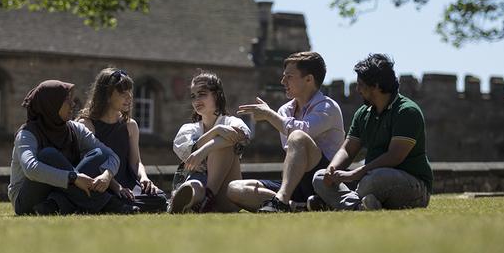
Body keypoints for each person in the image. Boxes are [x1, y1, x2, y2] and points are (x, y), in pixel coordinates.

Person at [310, 53, 433, 211]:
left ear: (375, 85)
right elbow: (348, 149)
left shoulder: (407, 111)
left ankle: (344, 203)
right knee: (319, 177)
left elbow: (394, 157)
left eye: (360, 84)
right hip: (370, 178)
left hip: (413, 186)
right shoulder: (363, 113)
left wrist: (354, 174)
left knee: (372, 180)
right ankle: (361, 207)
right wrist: (331, 170)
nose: (357, 89)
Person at [227, 51, 345, 213]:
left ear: (308, 79)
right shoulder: (285, 111)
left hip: (325, 182)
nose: (283, 81)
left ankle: (281, 201)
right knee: (235, 188)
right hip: (295, 185)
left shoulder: (328, 107)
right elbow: (291, 147)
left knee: (297, 136)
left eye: (289, 76)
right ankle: (298, 207)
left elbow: (300, 133)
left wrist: (269, 114)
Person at [8, 79, 138, 216]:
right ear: (51, 105)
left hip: (59, 194)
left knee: (99, 154)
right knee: (48, 155)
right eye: (66, 100)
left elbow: (110, 154)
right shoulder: (27, 134)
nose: (73, 104)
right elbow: (31, 169)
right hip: (27, 201)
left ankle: (55, 205)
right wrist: (73, 177)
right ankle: (107, 203)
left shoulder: (75, 129)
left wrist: (107, 174)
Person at [77, 67, 167, 213]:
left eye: (129, 92)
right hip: (100, 183)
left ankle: (119, 206)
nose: (129, 98)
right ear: (106, 96)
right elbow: (92, 165)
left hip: (128, 183)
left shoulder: (131, 125)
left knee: (160, 198)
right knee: (119, 198)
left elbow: (136, 162)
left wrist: (144, 178)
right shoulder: (86, 125)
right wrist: (117, 188)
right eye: (122, 93)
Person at [169, 70, 251, 213]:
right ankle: (188, 202)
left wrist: (206, 148)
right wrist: (215, 131)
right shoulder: (188, 129)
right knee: (194, 184)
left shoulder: (230, 121)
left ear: (217, 95)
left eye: (202, 94)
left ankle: (207, 198)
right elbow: (191, 151)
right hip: (198, 183)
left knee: (224, 142)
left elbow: (243, 135)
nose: (196, 101)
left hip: (227, 192)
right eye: (193, 96)